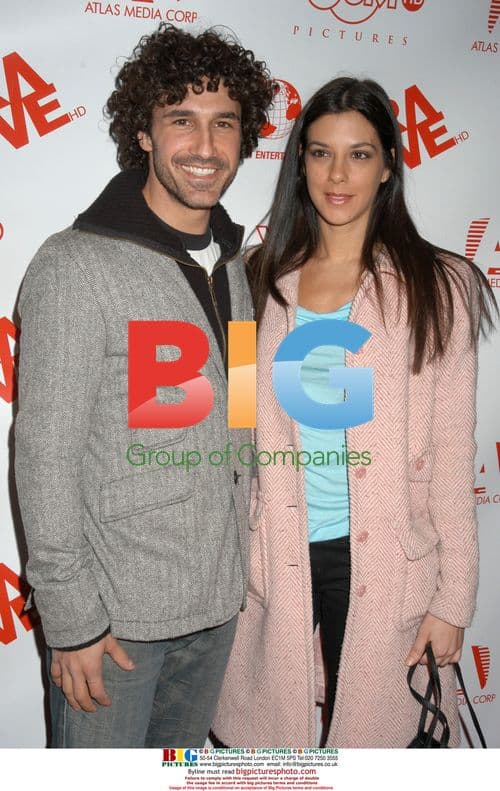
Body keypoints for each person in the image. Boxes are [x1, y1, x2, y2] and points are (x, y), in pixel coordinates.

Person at [212, 77, 497, 748]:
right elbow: (238, 431)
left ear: (389, 165)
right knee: (262, 743)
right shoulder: (253, 279)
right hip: (273, 556)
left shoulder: (440, 285)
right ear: (299, 162)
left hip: (387, 563)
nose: (338, 174)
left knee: (381, 740)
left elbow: (454, 455)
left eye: (360, 154)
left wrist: (452, 600)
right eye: (319, 152)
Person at [14, 23, 274, 748]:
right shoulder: (76, 263)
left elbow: (242, 420)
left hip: (219, 610)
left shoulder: (234, 267)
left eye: (224, 123)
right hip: (115, 625)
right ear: (144, 134)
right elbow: (44, 455)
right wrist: (71, 621)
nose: (205, 145)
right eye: (181, 120)